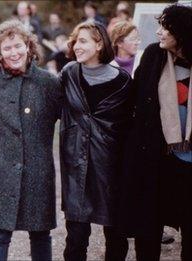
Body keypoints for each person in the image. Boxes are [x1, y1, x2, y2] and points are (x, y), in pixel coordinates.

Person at [0, 19, 62, 261]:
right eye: (7, 48)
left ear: (29, 46)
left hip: (38, 170)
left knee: (41, 233)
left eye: (18, 46)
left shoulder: (49, 82)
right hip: (0, 169)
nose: (14, 53)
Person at [118, 4, 192, 260]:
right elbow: (134, 101)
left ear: (182, 32)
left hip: (189, 165)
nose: (158, 32)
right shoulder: (153, 56)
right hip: (156, 159)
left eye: (165, 27)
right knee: (147, 229)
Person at [59, 21, 132, 261]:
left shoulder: (123, 82)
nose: (75, 46)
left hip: (111, 168)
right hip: (76, 166)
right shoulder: (69, 73)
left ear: (99, 43)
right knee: (76, 238)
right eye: (75, 41)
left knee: (115, 235)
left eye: (83, 41)